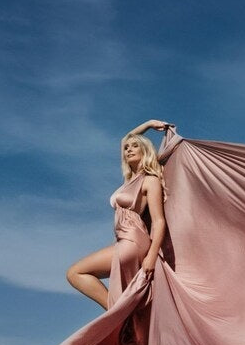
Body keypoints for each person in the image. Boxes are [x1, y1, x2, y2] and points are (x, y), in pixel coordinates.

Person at [65, 118, 173, 310]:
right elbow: (125, 139)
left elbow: (158, 221)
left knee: (76, 273)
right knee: (78, 275)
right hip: (123, 241)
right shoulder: (129, 180)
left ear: (144, 151)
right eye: (126, 148)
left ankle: (115, 316)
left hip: (134, 241)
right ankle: (120, 316)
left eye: (134, 147)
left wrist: (151, 256)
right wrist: (148, 124)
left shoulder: (150, 181)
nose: (128, 149)